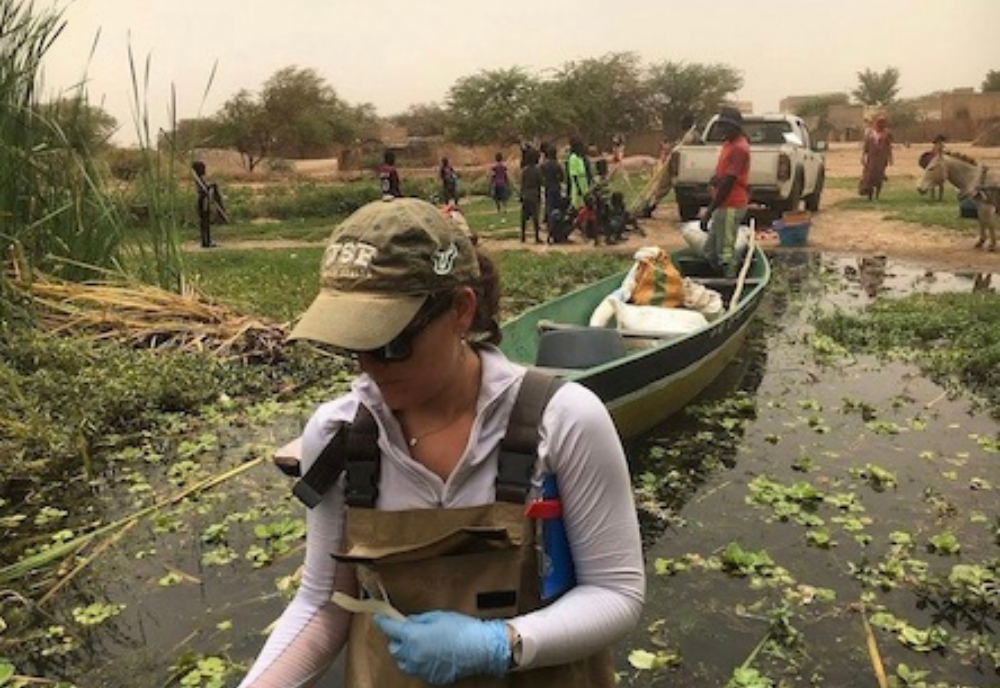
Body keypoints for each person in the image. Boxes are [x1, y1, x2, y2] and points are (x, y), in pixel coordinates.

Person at [236, 197, 645, 687]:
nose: (371, 367)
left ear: (460, 311)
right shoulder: (339, 435)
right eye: (354, 347)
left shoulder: (564, 420)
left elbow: (615, 592)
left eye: (391, 344)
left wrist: (502, 644)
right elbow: (323, 603)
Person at [700, 107, 750, 277]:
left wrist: (710, 209)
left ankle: (730, 282)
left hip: (731, 203)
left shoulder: (739, 148)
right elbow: (724, 175)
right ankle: (718, 277)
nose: (722, 130)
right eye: (721, 126)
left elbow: (730, 182)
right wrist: (715, 179)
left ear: (735, 127)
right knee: (710, 251)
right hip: (723, 203)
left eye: (725, 126)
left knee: (725, 251)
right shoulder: (729, 145)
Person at [191, 160, 227, 248]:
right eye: (203, 168)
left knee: (205, 221)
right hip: (203, 200)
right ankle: (206, 242)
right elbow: (204, 190)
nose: (205, 170)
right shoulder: (198, 179)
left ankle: (206, 240)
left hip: (204, 199)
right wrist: (212, 186)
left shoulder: (200, 178)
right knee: (204, 221)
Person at [859, 114, 893, 201]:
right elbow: (865, 146)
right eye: (879, 122)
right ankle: (869, 195)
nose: (880, 124)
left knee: (879, 177)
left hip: (881, 159)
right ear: (875, 123)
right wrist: (863, 156)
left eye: (882, 122)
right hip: (871, 158)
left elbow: (889, 146)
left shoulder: (887, 133)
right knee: (869, 177)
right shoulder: (869, 133)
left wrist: (890, 158)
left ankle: (877, 196)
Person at [539, 143, 565, 235]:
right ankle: (557, 225)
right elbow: (562, 177)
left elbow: (540, 177)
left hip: (548, 187)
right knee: (557, 206)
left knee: (549, 206)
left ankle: (549, 225)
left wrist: (545, 182)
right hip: (556, 187)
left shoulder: (543, 165)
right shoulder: (557, 165)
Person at [519, 147, 543, 243]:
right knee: (535, 217)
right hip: (534, 195)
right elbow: (541, 182)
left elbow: (522, 184)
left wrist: (521, 195)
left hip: (525, 195)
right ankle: (536, 237)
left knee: (524, 217)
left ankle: (523, 236)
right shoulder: (537, 170)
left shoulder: (524, 170)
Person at [565, 137, 591, 216]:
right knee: (577, 204)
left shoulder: (580, 157)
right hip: (578, 184)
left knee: (585, 203)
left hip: (584, 183)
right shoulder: (573, 158)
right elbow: (574, 175)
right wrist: (578, 187)